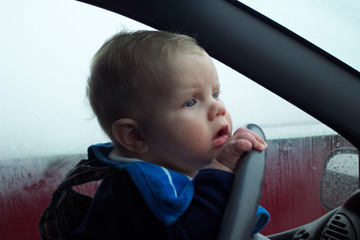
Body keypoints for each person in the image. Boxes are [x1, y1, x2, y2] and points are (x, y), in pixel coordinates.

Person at [70, 30, 269, 239]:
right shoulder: (140, 190)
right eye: (191, 102)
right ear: (135, 136)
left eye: (215, 94)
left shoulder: (166, 168)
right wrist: (221, 170)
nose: (217, 108)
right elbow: (191, 235)